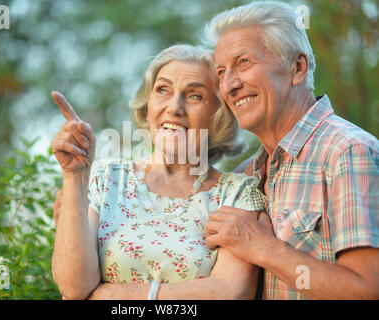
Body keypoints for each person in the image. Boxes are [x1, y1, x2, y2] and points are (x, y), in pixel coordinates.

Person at [50, 44, 265, 300]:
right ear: (148, 104)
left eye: (195, 96)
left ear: (218, 115)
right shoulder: (106, 177)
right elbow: (74, 287)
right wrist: (74, 176)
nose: (174, 107)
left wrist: (116, 297)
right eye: (163, 90)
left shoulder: (237, 193)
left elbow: (232, 293)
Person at [203, 1, 379, 299]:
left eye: (243, 62)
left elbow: (368, 289)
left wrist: (263, 248)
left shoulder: (348, 152)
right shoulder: (242, 175)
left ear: (297, 68)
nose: (229, 85)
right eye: (221, 72)